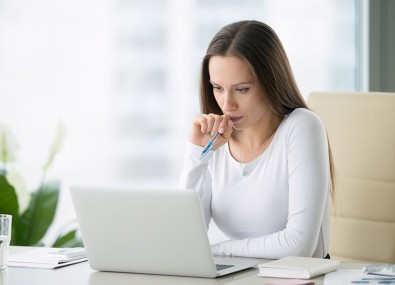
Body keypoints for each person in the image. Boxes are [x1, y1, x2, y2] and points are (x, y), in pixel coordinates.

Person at [179, 20, 334, 259]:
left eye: (242, 89)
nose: (227, 104)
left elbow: (299, 245)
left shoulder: (302, 126)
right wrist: (196, 154)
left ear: (271, 81)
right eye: (218, 88)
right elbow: (184, 238)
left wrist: (217, 252)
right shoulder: (216, 140)